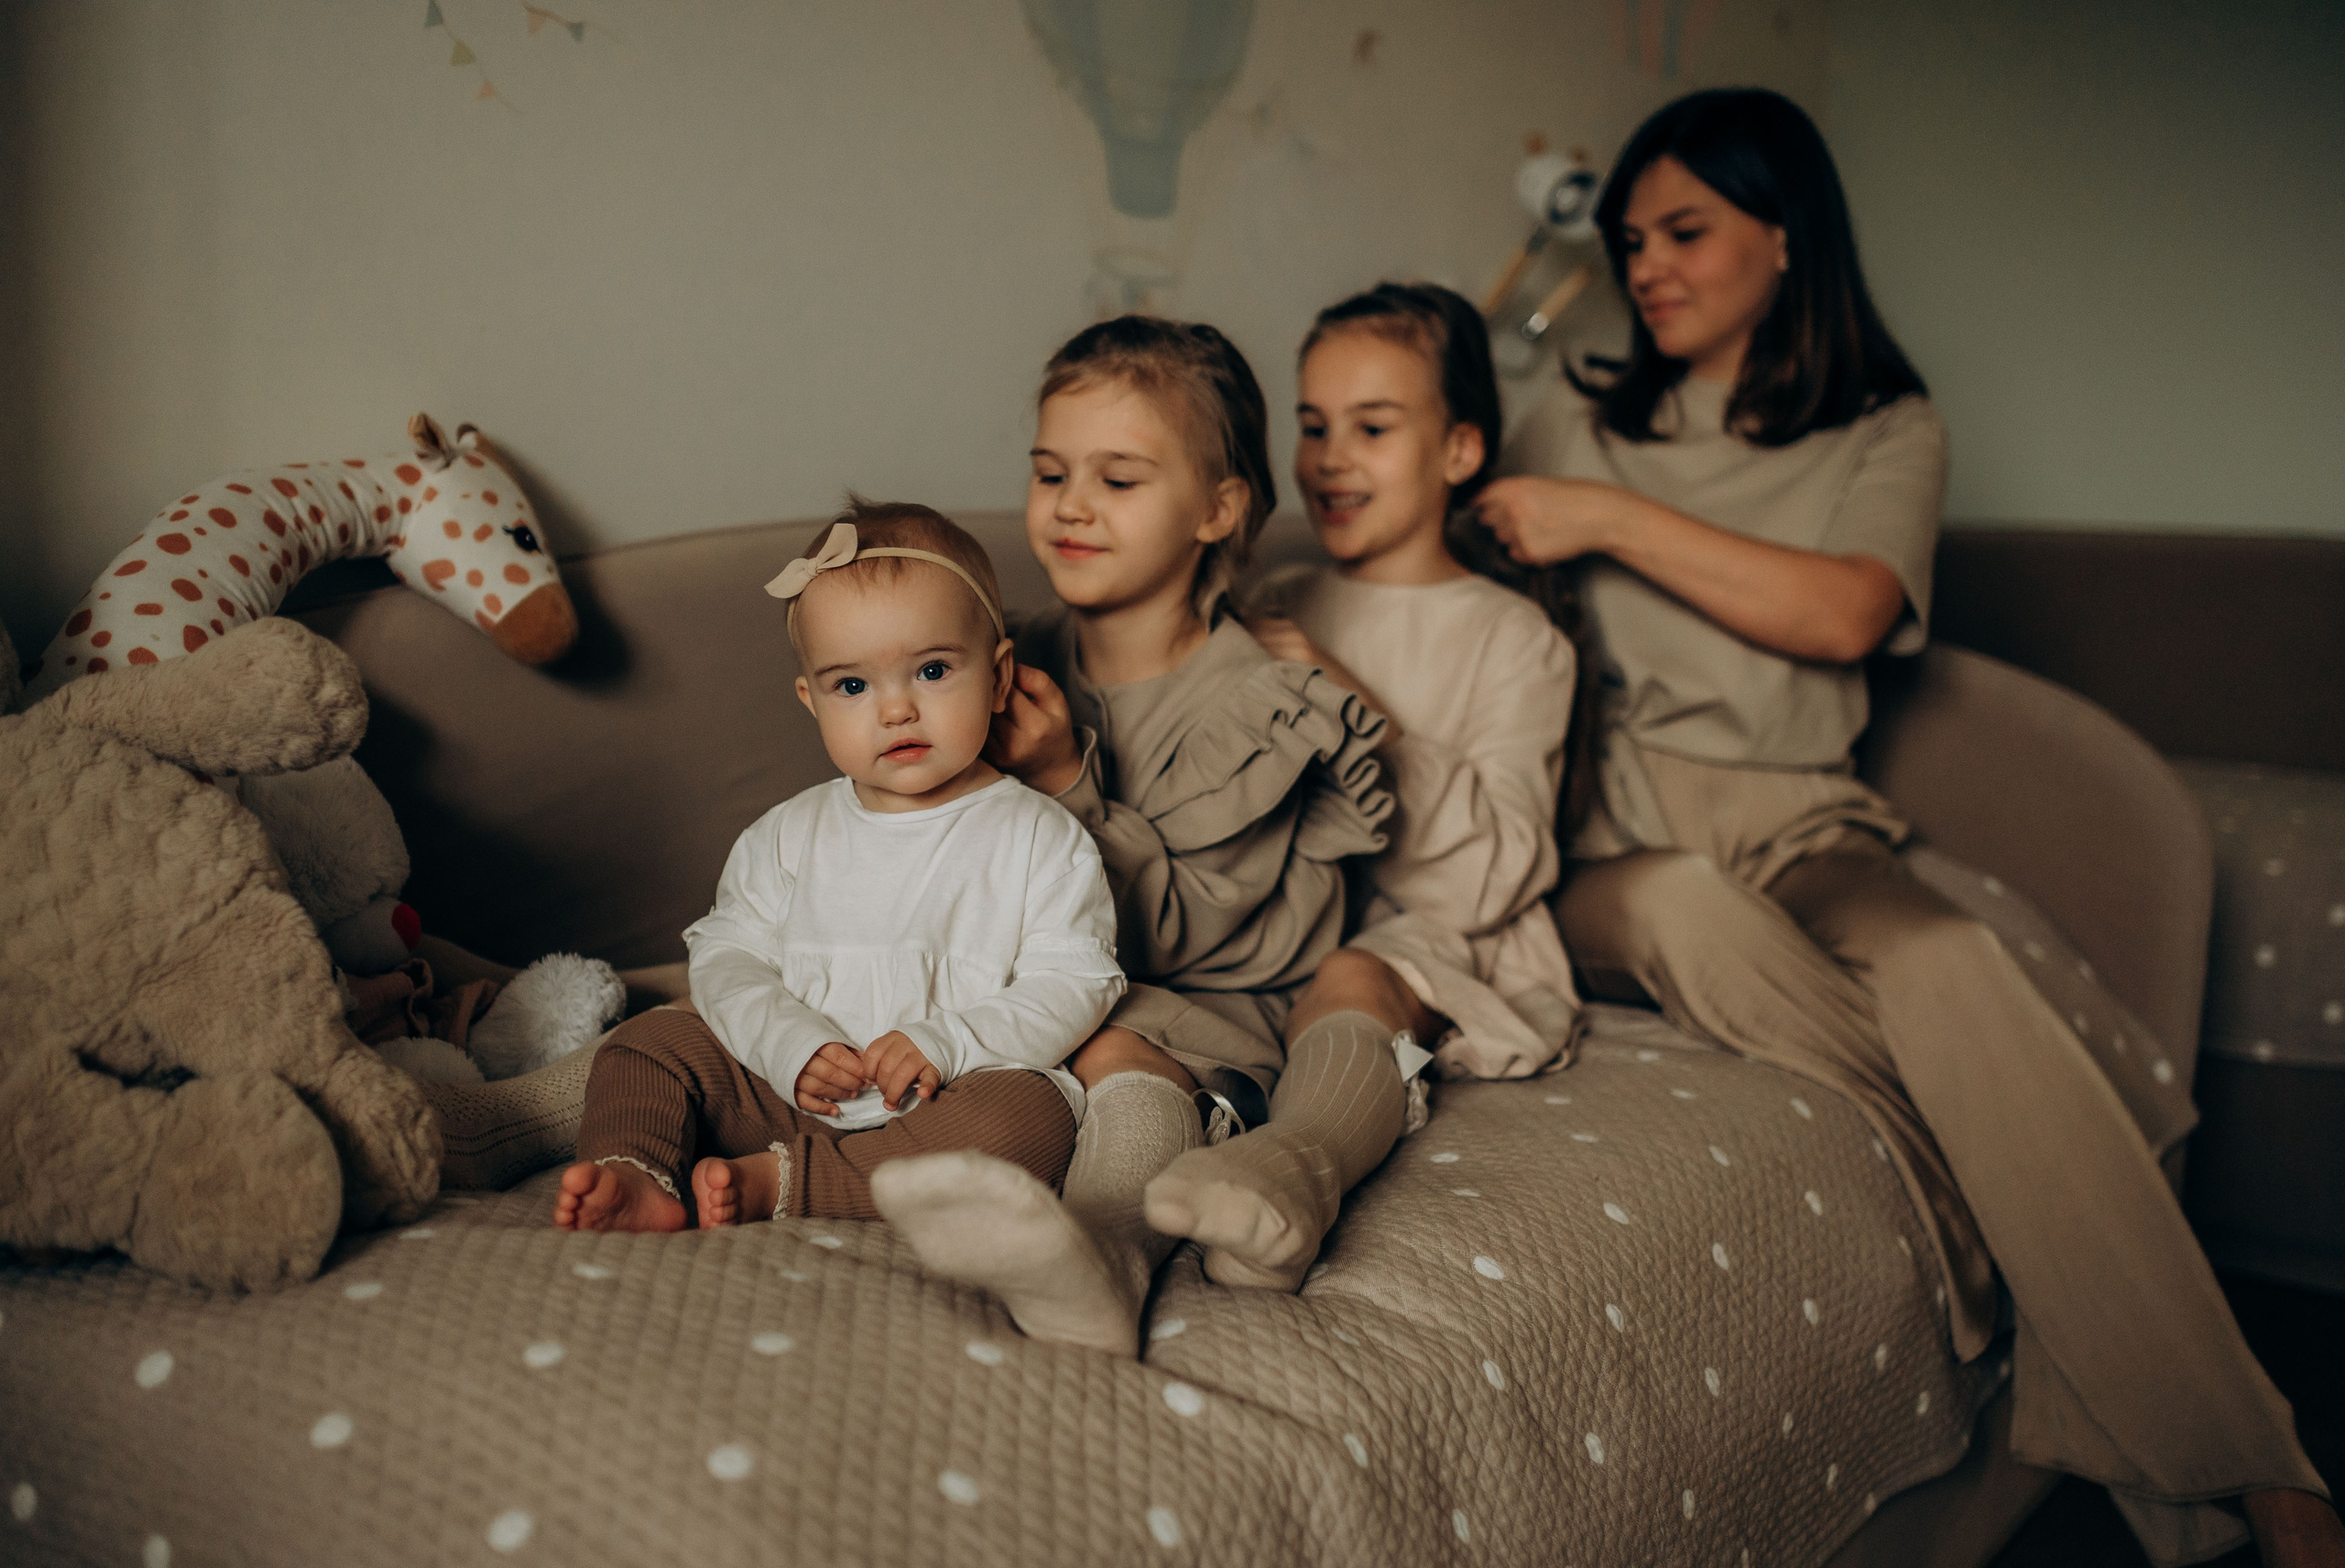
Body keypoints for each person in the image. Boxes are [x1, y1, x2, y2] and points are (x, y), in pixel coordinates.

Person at [1480, 87, 2340, 1568]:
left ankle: (2260, 1465)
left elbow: (1847, 612)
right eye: (1631, 240)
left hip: (1809, 826)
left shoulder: (1889, 426)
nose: (1648, 268)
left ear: (1786, 236)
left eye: (1685, 231)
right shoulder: (1569, 415)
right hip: (1614, 843)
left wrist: (1607, 521)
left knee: (1948, 958)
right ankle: (2000, 1186)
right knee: (1687, 901)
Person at [869, 316, 1409, 1340]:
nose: (1070, 506)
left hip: (1201, 1000)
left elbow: (1183, 935)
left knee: (1108, 1044)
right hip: (1030, 978)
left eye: (1117, 480)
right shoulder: (1007, 655)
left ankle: (1102, 1247)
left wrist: (1064, 777)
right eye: (1049, 473)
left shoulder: (1257, 706)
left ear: (1216, 508)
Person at [551, 501, 1122, 1232]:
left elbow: (1075, 981)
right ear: (812, 701)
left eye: (934, 670)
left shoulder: (1040, 837)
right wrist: (791, 1045)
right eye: (852, 686)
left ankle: (788, 1184)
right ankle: (635, 1170)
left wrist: (947, 1043)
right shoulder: (788, 836)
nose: (895, 710)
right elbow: (729, 961)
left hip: (947, 1104)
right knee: (648, 1043)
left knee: (1035, 1117)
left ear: (1000, 677)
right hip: (786, 1093)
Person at [1243, 280, 1591, 1090]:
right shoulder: (1279, 601)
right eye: (1313, 427)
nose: (1331, 458)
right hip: (1282, 921)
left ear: (1459, 451)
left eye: (1372, 427)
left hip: (1441, 932)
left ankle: (1293, 1162)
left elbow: (1491, 879)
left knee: (1355, 978)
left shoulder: (1516, 639)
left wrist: (1350, 704)